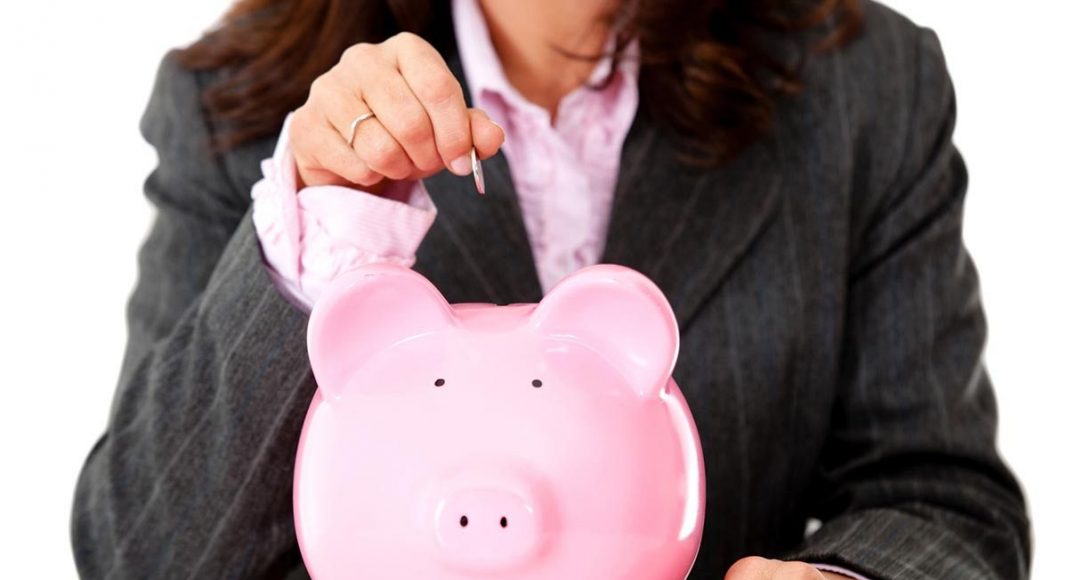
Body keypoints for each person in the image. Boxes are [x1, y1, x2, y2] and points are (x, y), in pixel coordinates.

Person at [70, 0, 1031, 578]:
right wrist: (324, 231)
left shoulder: (864, 85)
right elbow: (141, 556)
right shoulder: (238, 99)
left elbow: (946, 502)